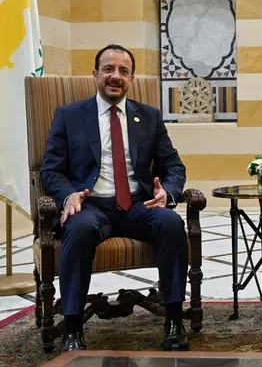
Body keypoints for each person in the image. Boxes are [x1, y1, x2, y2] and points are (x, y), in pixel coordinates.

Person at [41, 45, 190, 352]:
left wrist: (167, 192)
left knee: (172, 223)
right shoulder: (69, 116)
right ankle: (72, 328)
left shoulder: (149, 116)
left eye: (123, 71)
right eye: (108, 69)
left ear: (131, 78)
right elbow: (51, 170)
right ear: (95, 74)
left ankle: (174, 320)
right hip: (91, 206)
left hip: (139, 206)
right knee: (78, 229)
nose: (115, 76)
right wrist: (69, 194)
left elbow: (173, 166)